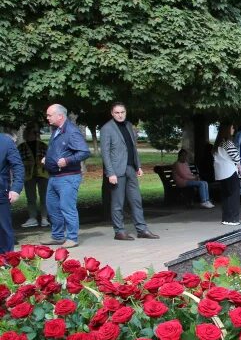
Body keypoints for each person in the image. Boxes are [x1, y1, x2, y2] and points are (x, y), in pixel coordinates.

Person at [99, 103, 160, 242]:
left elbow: (133, 147)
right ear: (112, 113)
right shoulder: (107, 128)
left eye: (122, 112)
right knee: (118, 203)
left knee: (136, 200)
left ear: (125, 112)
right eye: (117, 112)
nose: (120, 115)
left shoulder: (128, 125)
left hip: (131, 168)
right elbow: (105, 153)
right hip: (116, 170)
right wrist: (110, 173)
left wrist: (138, 165)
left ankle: (142, 229)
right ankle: (119, 231)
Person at [42, 104, 91, 248]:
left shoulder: (71, 131)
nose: (47, 117)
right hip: (54, 176)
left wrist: (67, 161)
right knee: (52, 207)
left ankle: (72, 238)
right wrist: (47, 158)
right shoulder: (57, 130)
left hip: (68, 177)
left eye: (49, 115)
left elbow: (84, 152)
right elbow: (58, 150)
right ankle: (57, 236)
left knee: (67, 207)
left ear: (60, 116)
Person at [17, 123, 48, 228]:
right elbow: (18, 162)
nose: (33, 134)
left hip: (43, 174)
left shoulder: (43, 145)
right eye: (31, 132)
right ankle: (32, 218)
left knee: (44, 197)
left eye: (35, 133)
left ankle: (44, 218)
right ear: (26, 134)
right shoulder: (21, 147)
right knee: (31, 197)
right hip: (28, 175)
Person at [0, 129, 24, 254]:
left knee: (4, 230)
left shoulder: (5, 142)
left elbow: (18, 166)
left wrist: (16, 189)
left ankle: (7, 260)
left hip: (1, 192)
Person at [213, 123, 241, 226]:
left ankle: (226, 218)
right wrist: (240, 167)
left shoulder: (218, 143)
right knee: (234, 196)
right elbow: (236, 157)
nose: (233, 129)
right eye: (232, 128)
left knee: (225, 196)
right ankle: (233, 219)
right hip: (230, 172)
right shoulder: (228, 142)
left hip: (221, 173)